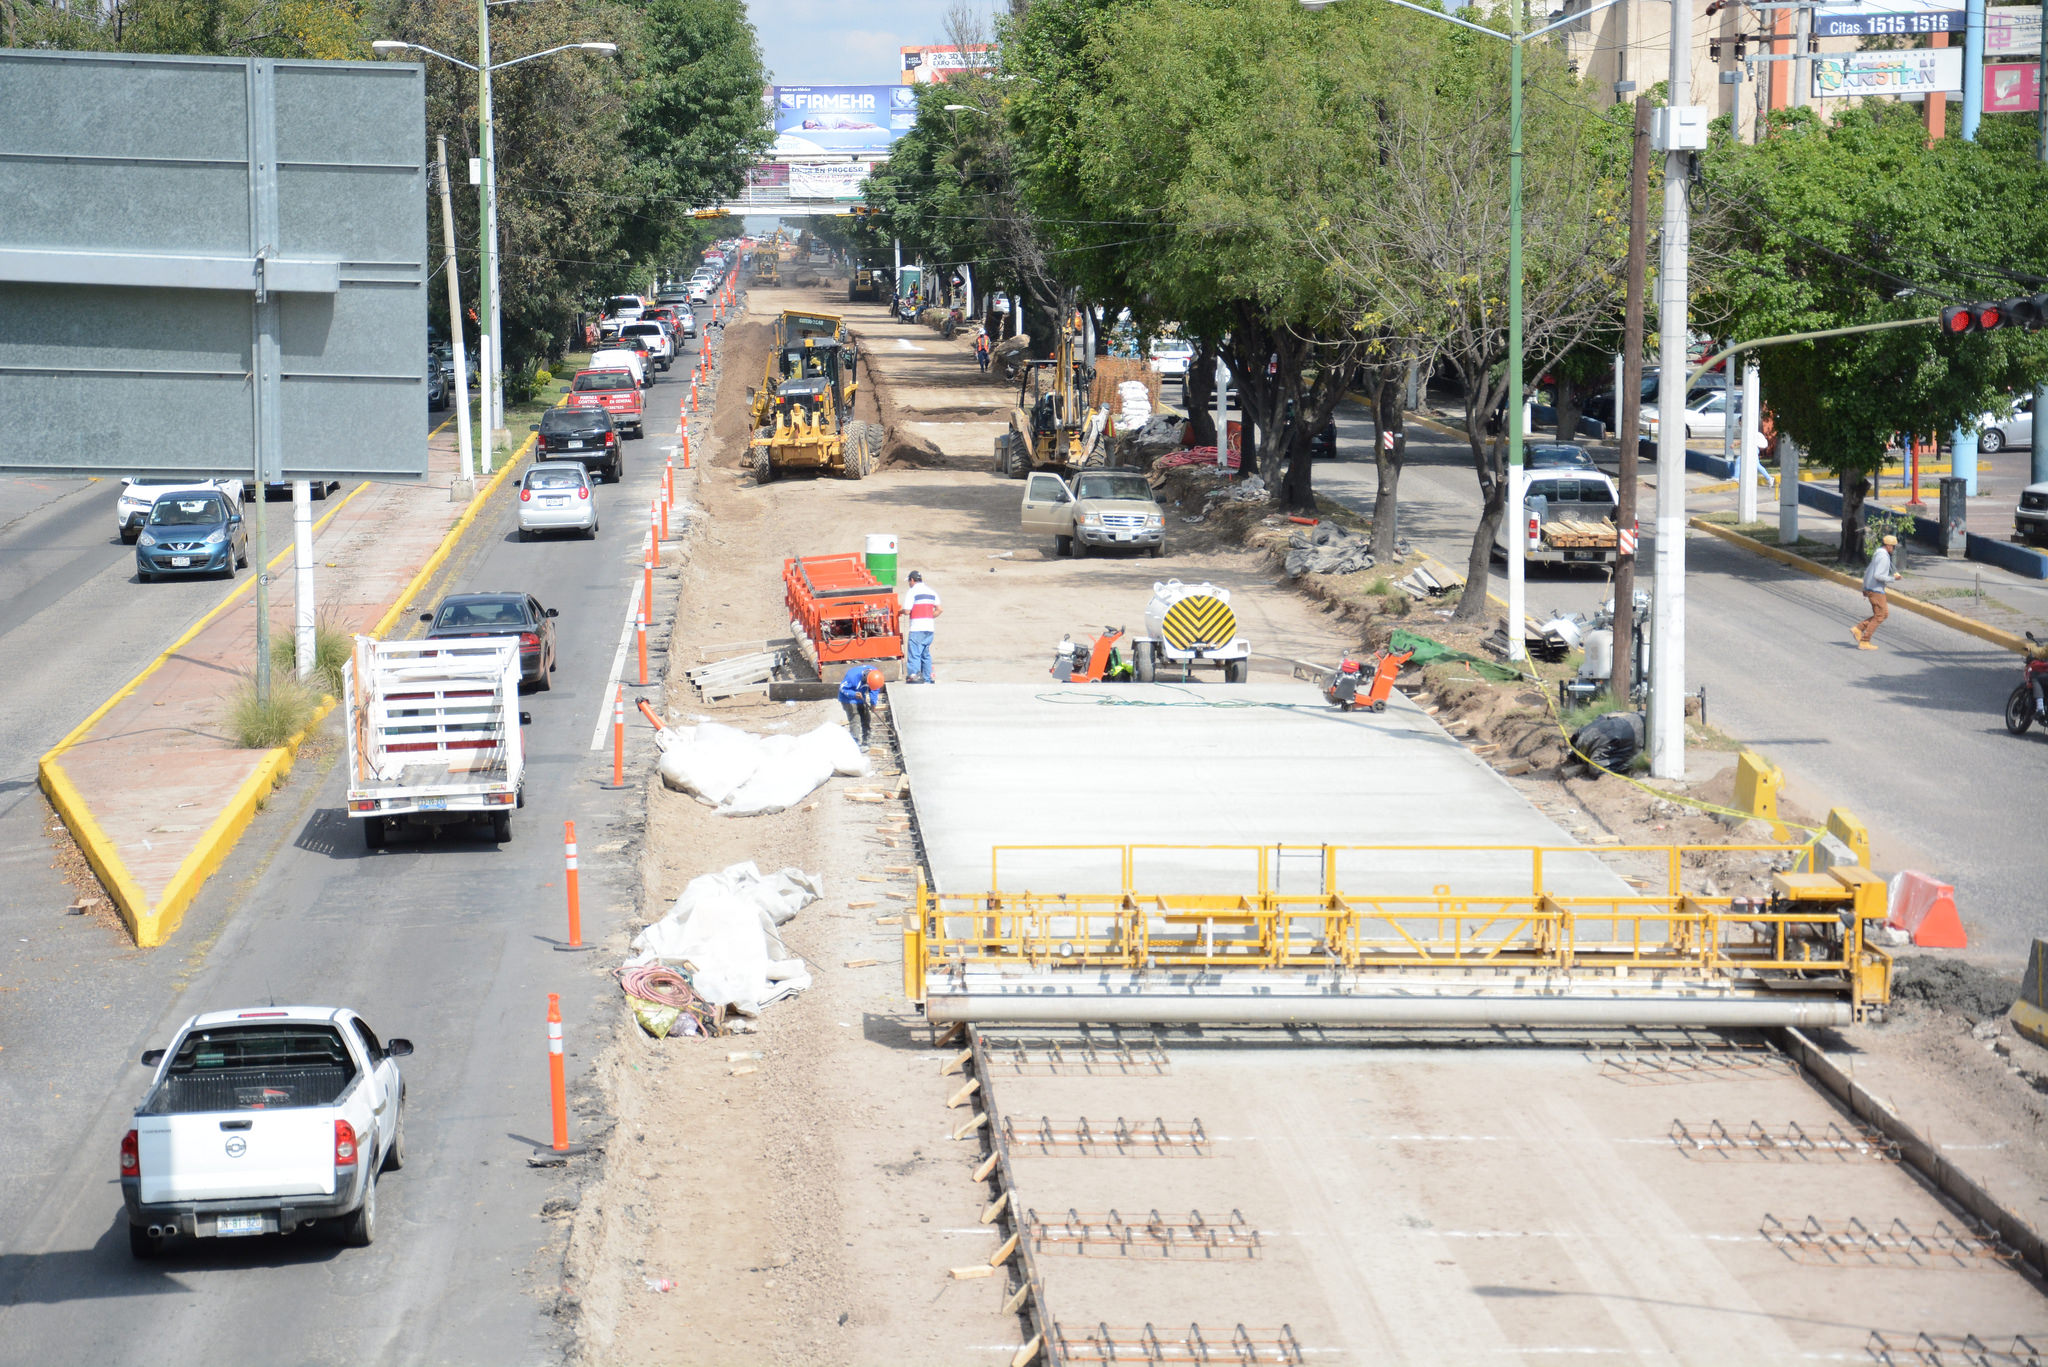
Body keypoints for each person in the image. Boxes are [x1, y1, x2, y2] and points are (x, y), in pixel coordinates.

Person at [1853, 533, 1903, 650]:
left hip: (1872, 588)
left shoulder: (1878, 554)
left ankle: (1859, 629)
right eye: (1893, 547)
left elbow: (1868, 571)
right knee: (1880, 616)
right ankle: (1865, 641)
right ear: (1888, 546)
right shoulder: (1883, 557)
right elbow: (1878, 575)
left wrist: (1865, 587)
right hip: (1876, 590)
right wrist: (1893, 578)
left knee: (1884, 614)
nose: (1894, 549)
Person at [902, 569, 942, 683]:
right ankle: (927, 678)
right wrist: (928, 616)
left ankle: (914, 676)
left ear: (912, 580)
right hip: (929, 629)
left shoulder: (912, 591)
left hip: (917, 628)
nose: (909, 584)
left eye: (909, 581)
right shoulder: (932, 592)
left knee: (914, 654)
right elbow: (939, 609)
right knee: (925, 654)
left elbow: (907, 611)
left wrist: (899, 612)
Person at [838, 665, 885, 747]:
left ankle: (866, 741)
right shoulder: (852, 676)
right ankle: (854, 744)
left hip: (860, 696)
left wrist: (873, 703)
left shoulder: (874, 675)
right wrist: (854, 694)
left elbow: (874, 689)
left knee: (866, 717)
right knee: (855, 720)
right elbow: (842, 688)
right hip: (847, 698)